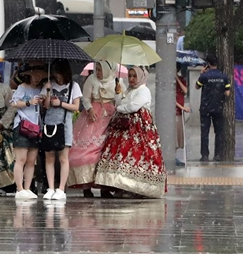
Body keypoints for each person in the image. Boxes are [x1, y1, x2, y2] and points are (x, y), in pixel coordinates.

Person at [95, 66, 167, 198]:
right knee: (119, 154)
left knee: (137, 155)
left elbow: (133, 106)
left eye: (134, 76)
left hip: (139, 130)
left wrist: (120, 107)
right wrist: (118, 94)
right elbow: (121, 103)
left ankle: (135, 187)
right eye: (130, 76)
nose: (132, 79)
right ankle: (118, 186)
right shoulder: (129, 90)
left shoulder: (143, 90)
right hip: (124, 128)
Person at [68, 60, 125, 197]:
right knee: (87, 151)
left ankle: (104, 188)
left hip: (110, 117)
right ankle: (86, 185)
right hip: (93, 117)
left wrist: (118, 93)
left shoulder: (118, 81)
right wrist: (90, 109)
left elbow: (121, 101)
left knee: (106, 151)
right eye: (97, 69)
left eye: (100, 70)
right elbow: (85, 98)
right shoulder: (91, 80)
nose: (98, 73)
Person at [41, 59, 82, 201]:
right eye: (54, 73)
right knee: (49, 157)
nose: (56, 76)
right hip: (49, 124)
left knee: (63, 158)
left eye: (58, 72)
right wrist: (46, 92)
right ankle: (51, 187)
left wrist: (61, 103)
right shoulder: (48, 85)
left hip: (64, 124)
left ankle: (61, 188)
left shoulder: (74, 86)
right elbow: (45, 106)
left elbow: (76, 107)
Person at [10, 62, 48, 199]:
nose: (37, 78)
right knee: (21, 159)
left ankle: (27, 187)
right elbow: (14, 103)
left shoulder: (41, 89)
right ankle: (19, 188)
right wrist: (28, 102)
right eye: (34, 75)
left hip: (36, 126)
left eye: (40, 75)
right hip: (22, 125)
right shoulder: (22, 87)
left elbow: (46, 104)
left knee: (32, 160)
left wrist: (47, 92)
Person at [195, 53, 232, 162]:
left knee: (204, 132)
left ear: (208, 64)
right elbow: (228, 93)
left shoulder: (204, 76)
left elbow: (197, 87)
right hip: (218, 108)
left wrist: (201, 73)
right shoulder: (223, 76)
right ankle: (218, 155)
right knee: (219, 133)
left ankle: (205, 155)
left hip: (205, 109)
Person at [175, 68, 191, 167]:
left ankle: (174, 156)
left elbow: (185, 91)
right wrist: (182, 107)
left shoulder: (181, 79)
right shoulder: (169, 82)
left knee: (179, 135)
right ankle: (172, 157)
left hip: (180, 112)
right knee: (174, 136)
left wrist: (177, 79)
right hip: (174, 111)